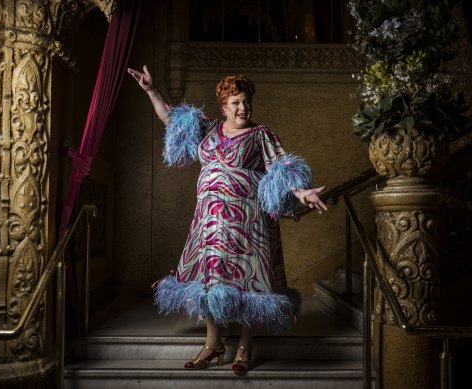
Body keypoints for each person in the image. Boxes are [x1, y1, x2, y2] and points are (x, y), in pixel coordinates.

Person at [128, 65, 328, 374]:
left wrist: (302, 193)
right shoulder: (208, 129)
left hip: (249, 223)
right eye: (235, 102)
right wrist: (152, 91)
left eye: (246, 101)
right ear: (224, 106)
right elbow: (170, 119)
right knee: (213, 282)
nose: (243, 107)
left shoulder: (261, 135)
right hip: (210, 224)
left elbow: (281, 169)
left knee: (251, 282)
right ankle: (213, 344)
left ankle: (246, 346)